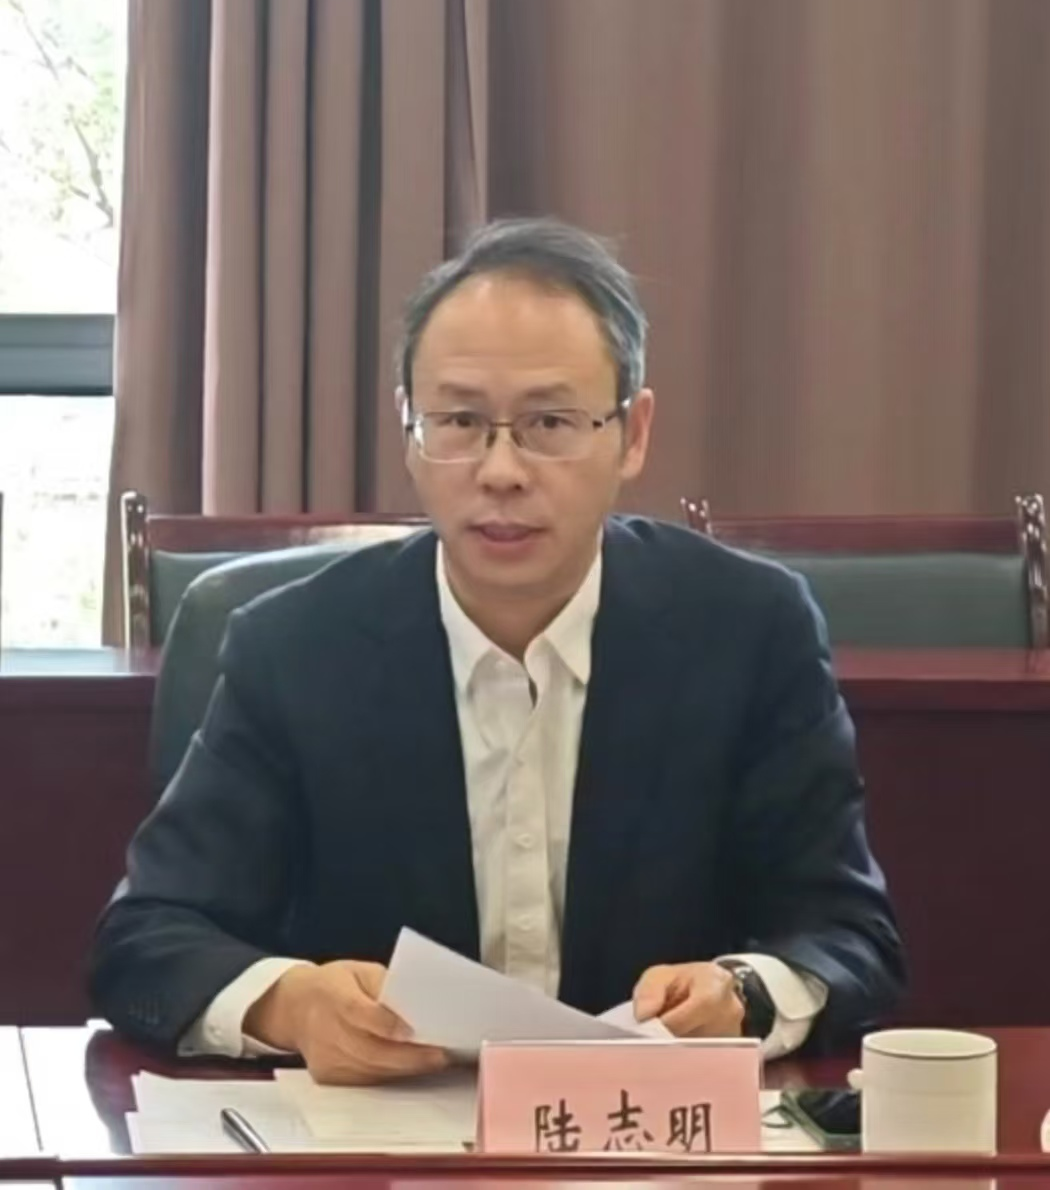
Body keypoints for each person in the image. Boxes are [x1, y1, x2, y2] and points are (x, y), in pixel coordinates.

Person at [89, 217, 904, 1085]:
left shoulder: (749, 631)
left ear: (632, 433)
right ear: (409, 430)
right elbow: (144, 938)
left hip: (651, 1134)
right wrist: (289, 1003)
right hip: (383, 1135)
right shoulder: (294, 648)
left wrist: (745, 993)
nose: (502, 470)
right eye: (460, 421)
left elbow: (849, 936)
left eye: (550, 421)